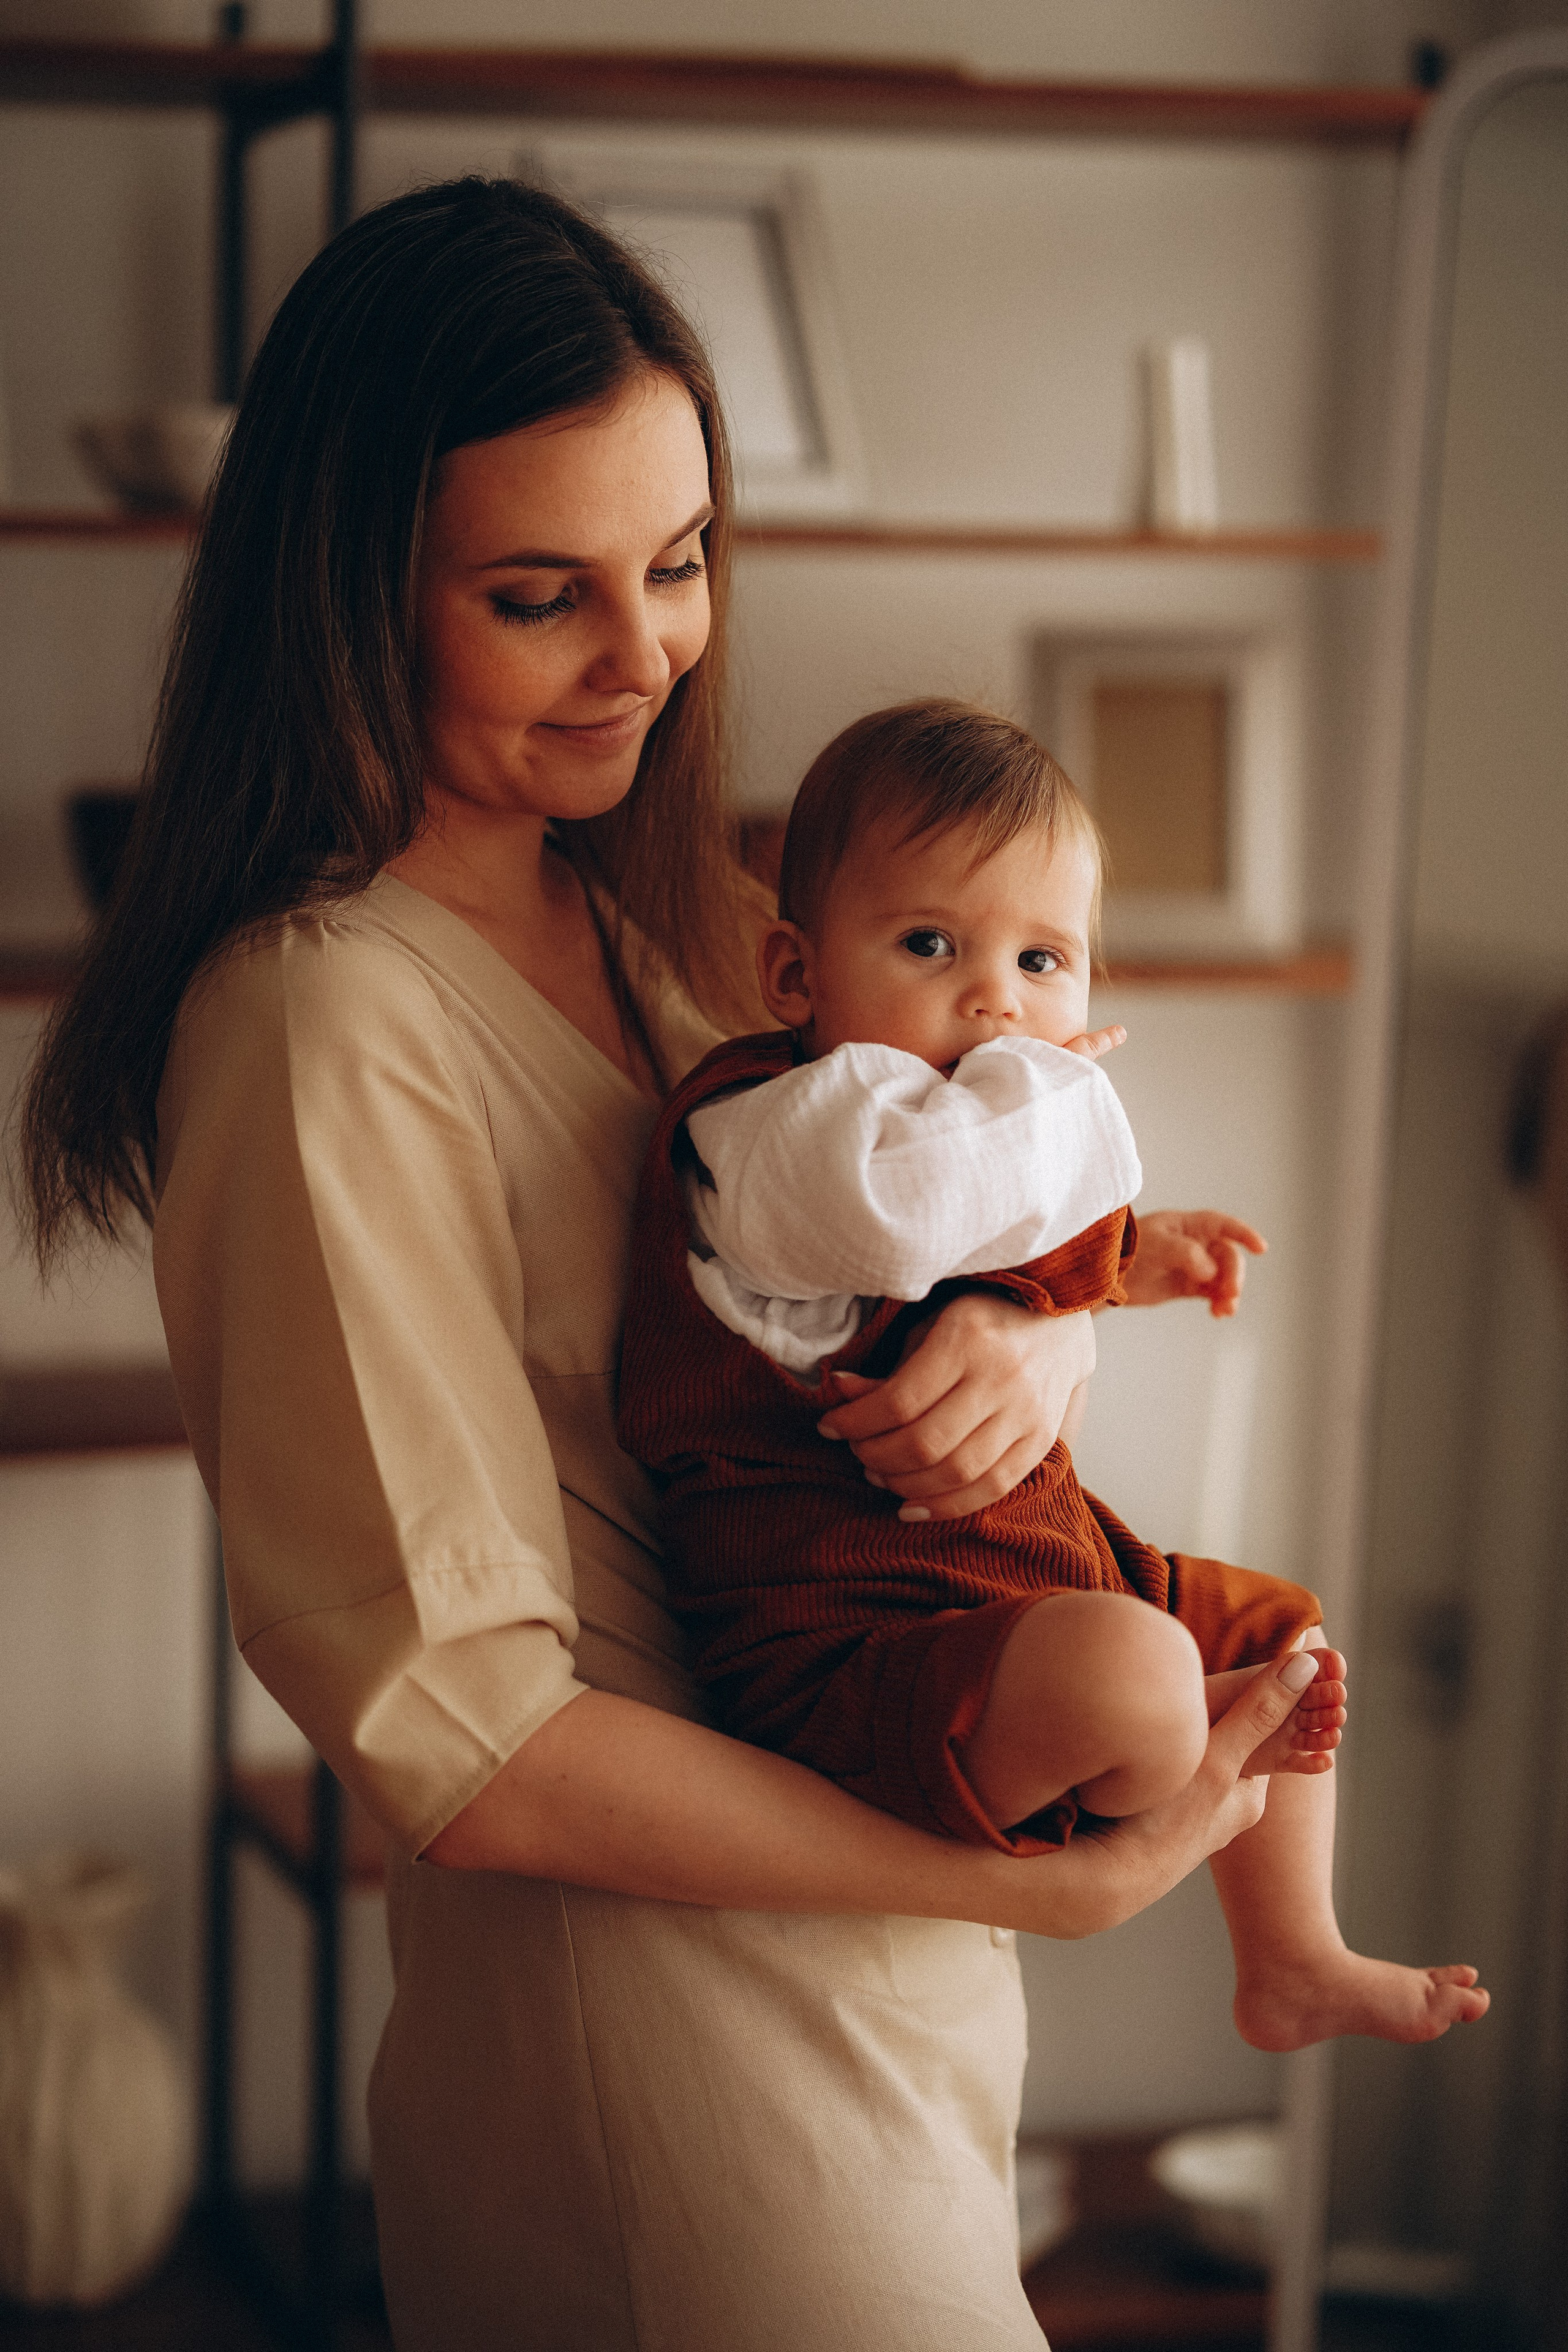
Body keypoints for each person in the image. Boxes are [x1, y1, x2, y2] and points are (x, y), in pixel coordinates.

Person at [20, 178, 1332, 2352]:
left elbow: (902, 1266)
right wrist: (1066, 1879)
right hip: (663, 2064)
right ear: (352, 599)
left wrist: (1028, 1334)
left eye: (683, 560)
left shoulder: (661, 937)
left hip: (884, 2010)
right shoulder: (321, 1014)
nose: (646, 653)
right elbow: (478, 1739)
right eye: (543, 594)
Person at [620, 699, 1493, 2054]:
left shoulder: (948, 1127)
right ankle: (1172, 1738)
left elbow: (997, 1233)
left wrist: (1127, 1261)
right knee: (1132, 1672)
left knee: (1283, 1633)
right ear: (795, 975)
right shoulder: (782, 1133)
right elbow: (924, 1212)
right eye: (929, 946)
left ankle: (1289, 1955)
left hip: (1021, 1590)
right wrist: (1059, 1099)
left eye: (1043, 959)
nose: (994, 1001)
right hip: (850, 1653)